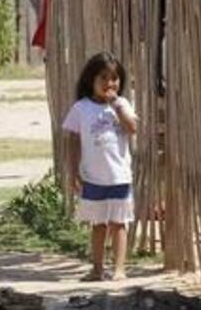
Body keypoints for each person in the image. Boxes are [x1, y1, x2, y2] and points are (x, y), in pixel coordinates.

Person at [62, 52, 139, 282]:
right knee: (98, 225)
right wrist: (74, 170)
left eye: (114, 78)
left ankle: (119, 269)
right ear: (91, 80)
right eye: (103, 78)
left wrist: (117, 106)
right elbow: (73, 140)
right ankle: (97, 268)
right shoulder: (81, 108)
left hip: (119, 177)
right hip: (93, 177)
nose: (110, 83)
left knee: (119, 224)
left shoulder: (122, 104)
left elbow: (132, 128)